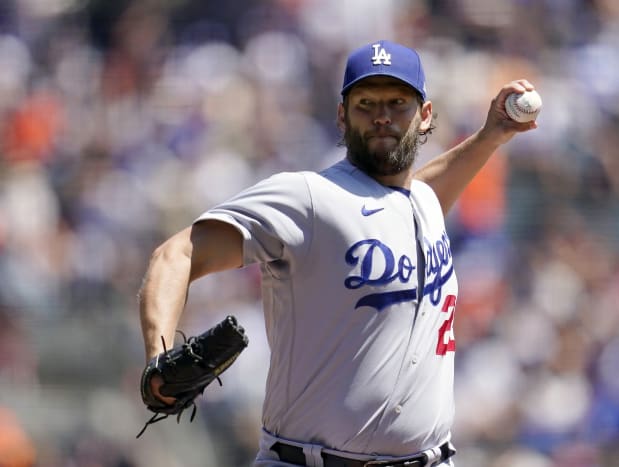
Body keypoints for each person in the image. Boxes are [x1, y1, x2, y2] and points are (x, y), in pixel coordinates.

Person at [138, 39, 537, 466]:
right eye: (366, 103)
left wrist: (490, 137)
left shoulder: (418, 202)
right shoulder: (310, 198)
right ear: (343, 116)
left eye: (398, 103)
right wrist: (158, 357)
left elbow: (417, 194)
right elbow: (176, 254)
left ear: (425, 117)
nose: (382, 116)